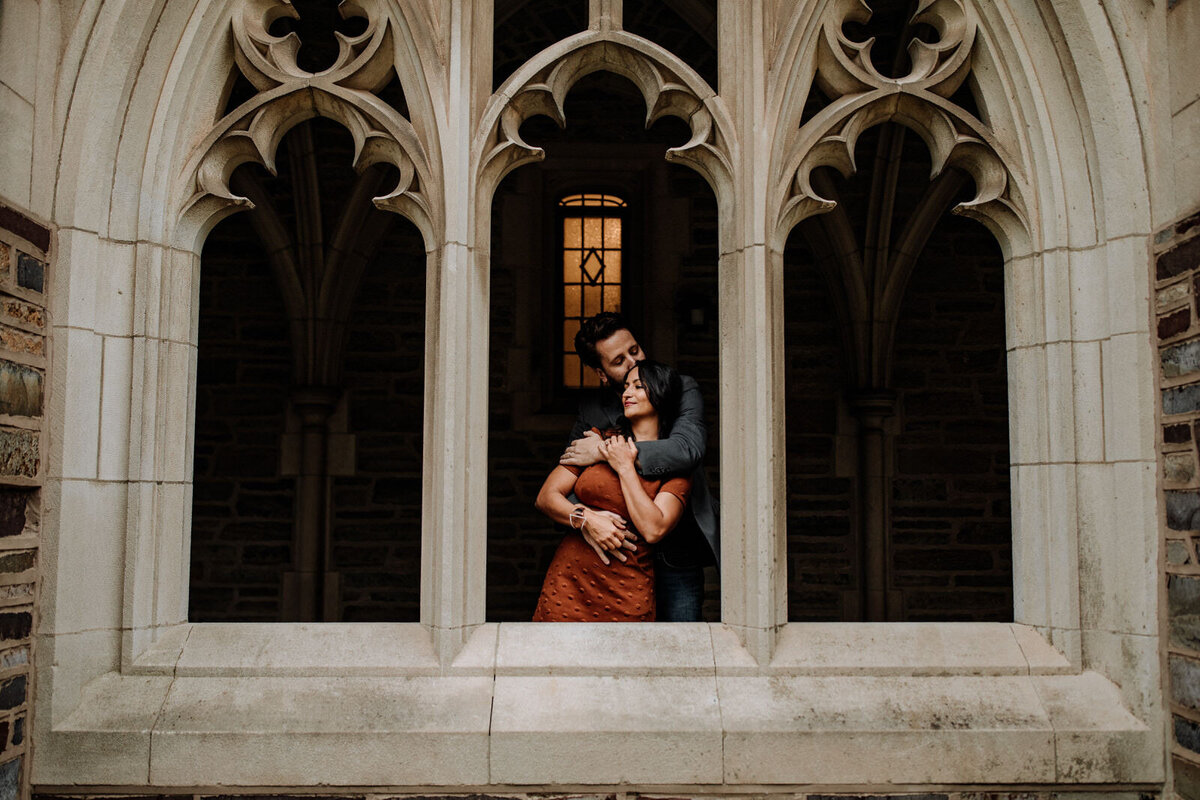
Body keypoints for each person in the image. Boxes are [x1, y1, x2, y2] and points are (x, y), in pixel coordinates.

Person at [559, 312, 718, 621]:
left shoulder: (680, 387)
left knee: (680, 647)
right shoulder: (592, 410)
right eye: (619, 361)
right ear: (601, 373)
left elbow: (686, 449)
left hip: (677, 551)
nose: (633, 362)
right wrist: (588, 519)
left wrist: (607, 452)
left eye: (634, 350)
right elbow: (567, 480)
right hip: (614, 560)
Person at [533, 361, 692, 621]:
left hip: (626, 594)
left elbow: (654, 529)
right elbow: (546, 497)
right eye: (626, 386)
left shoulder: (675, 467)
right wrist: (586, 519)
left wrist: (624, 466)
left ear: (661, 394)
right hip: (568, 585)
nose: (627, 393)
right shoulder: (596, 441)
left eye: (639, 387)